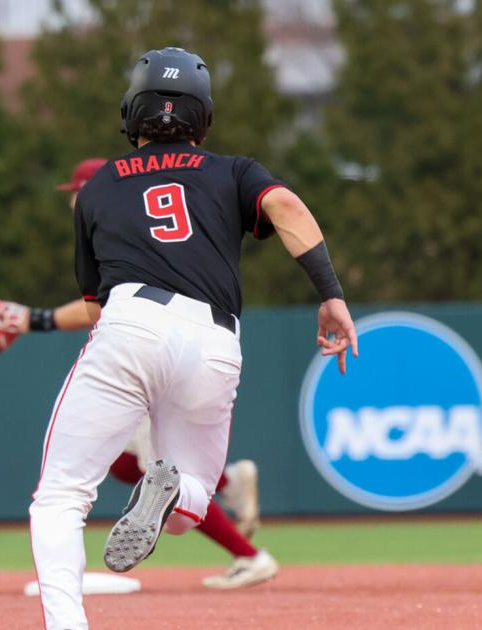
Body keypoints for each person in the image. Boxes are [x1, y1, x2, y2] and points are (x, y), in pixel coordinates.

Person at [25, 47, 358, 629]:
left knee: (60, 496)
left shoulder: (100, 185)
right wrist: (329, 292)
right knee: (190, 504)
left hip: (129, 323)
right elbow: (282, 204)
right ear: (203, 115)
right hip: (213, 339)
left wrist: (35, 320)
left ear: (132, 110)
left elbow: (91, 305)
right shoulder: (233, 170)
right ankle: (172, 493)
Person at [0, 158, 279, 590]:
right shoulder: (144, 208)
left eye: (74, 192)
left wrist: (33, 319)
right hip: (187, 345)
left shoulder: (108, 211)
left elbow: (95, 307)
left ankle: (250, 555)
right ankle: (231, 486)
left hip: (141, 358)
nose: (72, 202)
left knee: (157, 480)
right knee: (128, 466)